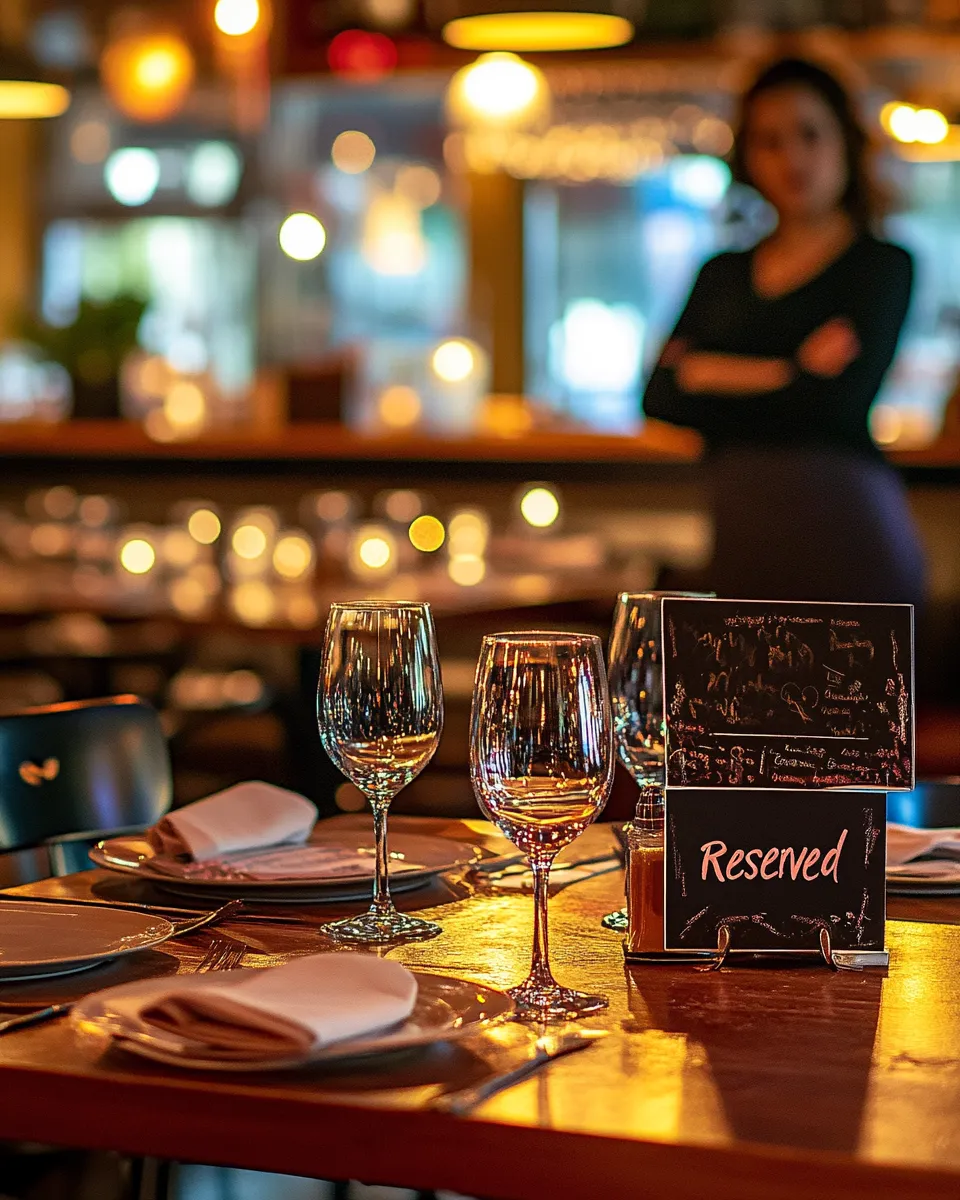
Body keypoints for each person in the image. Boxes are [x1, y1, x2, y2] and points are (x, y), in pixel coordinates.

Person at [644, 57, 926, 607]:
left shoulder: (880, 266)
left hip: (852, 540)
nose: (792, 158)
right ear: (747, 157)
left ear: (845, 142)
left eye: (809, 134)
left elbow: (838, 406)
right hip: (743, 544)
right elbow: (659, 396)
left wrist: (713, 373)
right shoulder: (721, 273)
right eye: (770, 141)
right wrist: (792, 371)